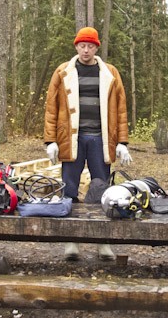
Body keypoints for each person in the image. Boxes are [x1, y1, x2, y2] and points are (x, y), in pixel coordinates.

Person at [44, 27, 131, 261]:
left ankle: (103, 242)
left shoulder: (110, 73)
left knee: (101, 189)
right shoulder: (63, 72)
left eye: (90, 46)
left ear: (96, 48)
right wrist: (51, 140)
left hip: (100, 139)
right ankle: (71, 241)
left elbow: (120, 110)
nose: (86, 50)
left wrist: (122, 141)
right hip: (71, 139)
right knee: (69, 189)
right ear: (76, 46)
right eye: (82, 45)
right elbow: (52, 109)